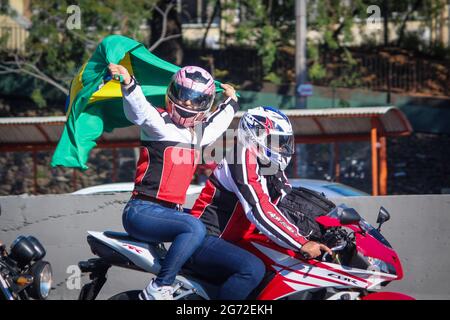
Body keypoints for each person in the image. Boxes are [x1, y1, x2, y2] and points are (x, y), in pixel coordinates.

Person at [108, 63, 239, 300]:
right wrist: (128, 83)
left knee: (210, 223)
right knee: (194, 227)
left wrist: (231, 101)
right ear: (172, 93)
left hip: (169, 213)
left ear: (206, 104)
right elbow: (139, 110)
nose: (188, 104)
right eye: (184, 96)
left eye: (195, 100)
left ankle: (195, 283)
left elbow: (219, 122)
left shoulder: (197, 134)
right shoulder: (158, 123)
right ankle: (160, 286)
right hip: (141, 211)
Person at [188, 106, 332, 299]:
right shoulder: (241, 156)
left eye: (285, 142)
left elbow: (289, 202)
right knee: (252, 269)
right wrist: (301, 242)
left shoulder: (271, 166)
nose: (282, 148)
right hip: (205, 238)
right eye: (277, 141)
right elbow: (259, 209)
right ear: (255, 135)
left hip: (236, 241)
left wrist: (326, 227)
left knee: (285, 263)